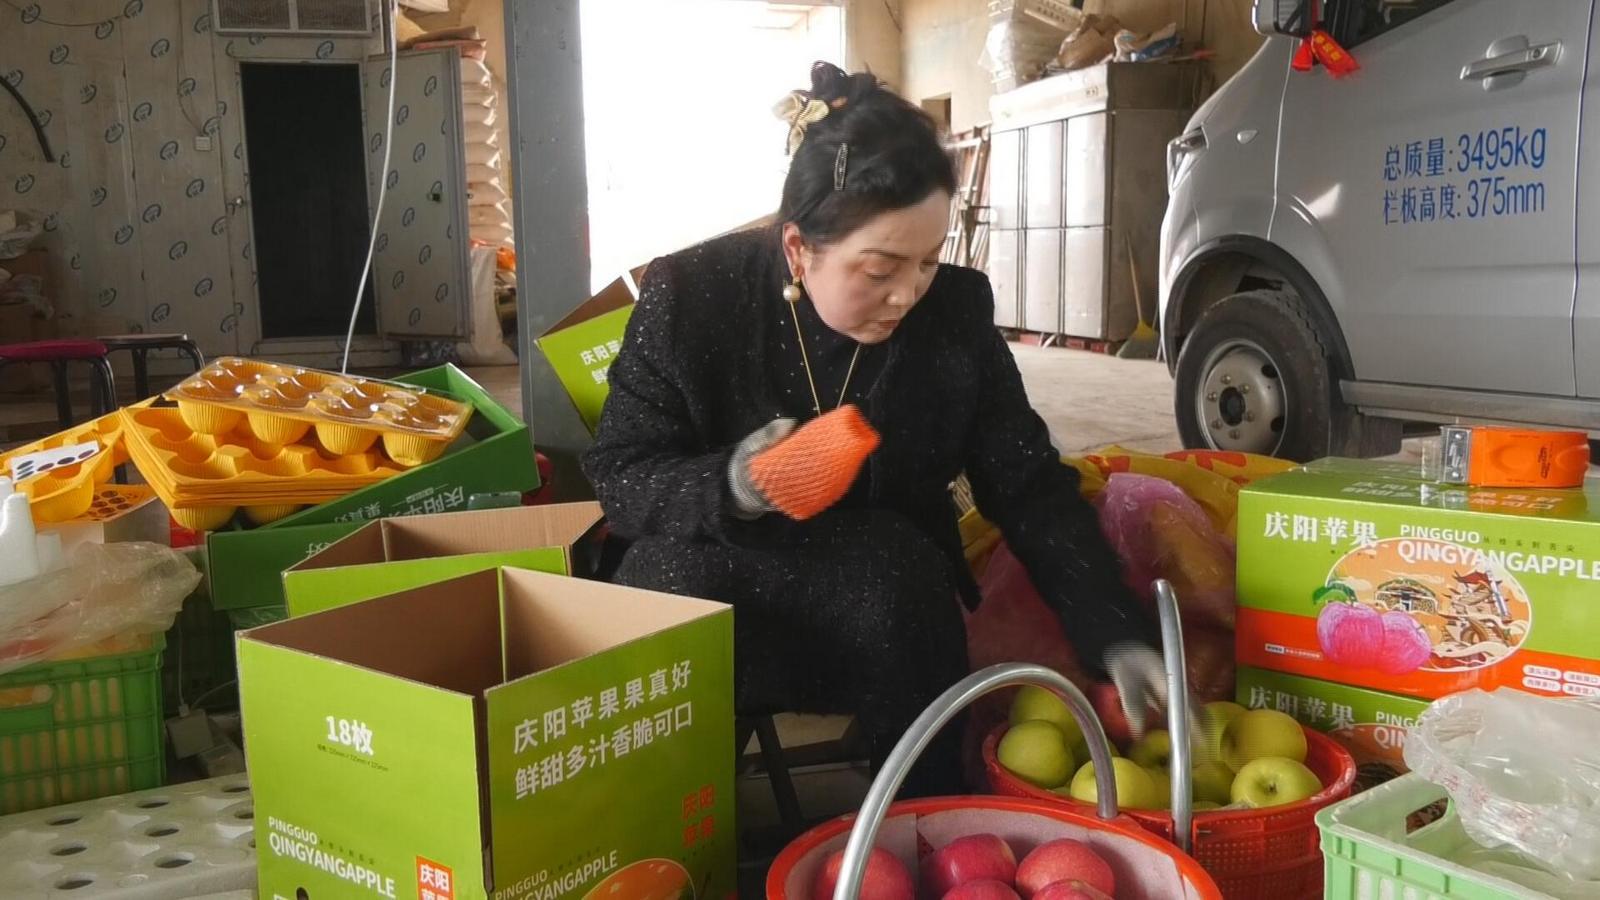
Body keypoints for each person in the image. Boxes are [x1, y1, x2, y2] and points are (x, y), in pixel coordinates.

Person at [585, 62, 1174, 795]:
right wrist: (734, 484)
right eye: (880, 269)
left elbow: (1027, 486)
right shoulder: (692, 297)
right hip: (712, 571)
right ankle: (678, 825)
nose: (907, 294)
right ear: (798, 249)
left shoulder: (952, 314)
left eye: (928, 261)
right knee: (670, 590)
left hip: (887, 597)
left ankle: (921, 825)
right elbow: (620, 474)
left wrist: (1114, 632)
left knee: (900, 582)